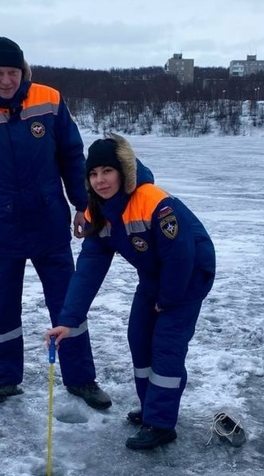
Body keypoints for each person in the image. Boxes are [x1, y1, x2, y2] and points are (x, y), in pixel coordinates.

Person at [0, 37, 111, 410]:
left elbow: (70, 155)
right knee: (0, 310)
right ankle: (3, 380)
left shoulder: (48, 100)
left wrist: (85, 205)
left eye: (12, 72)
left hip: (48, 225)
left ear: (23, 71)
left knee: (69, 306)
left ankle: (81, 379)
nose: (5, 80)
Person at [46, 133, 216, 450]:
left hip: (188, 277)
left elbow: (181, 257)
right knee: (138, 336)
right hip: (154, 277)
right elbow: (89, 268)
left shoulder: (153, 201)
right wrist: (68, 320)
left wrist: (167, 301)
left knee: (166, 345)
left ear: (123, 171)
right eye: (93, 174)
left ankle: (161, 424)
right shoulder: (101, 211)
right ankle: (152, 406)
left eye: (107, 171)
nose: (100, 180)